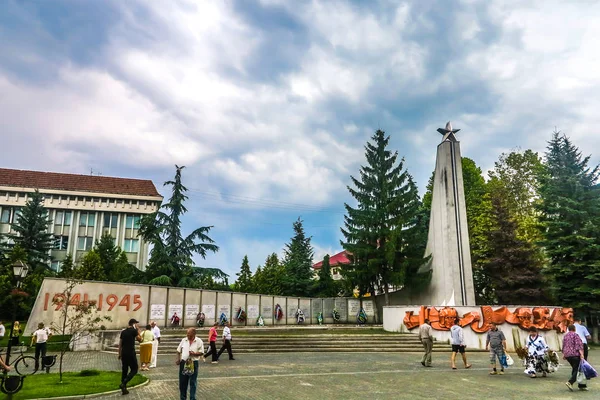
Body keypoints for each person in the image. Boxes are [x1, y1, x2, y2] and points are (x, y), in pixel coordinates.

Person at [176, 328, 204, 400]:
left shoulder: (199, 341)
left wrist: (194, 353)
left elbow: (201, 352)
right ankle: (183, 398)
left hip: (193, 362)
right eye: (187, 333)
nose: (187, 335)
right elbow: (178, 350)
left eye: (189, 334)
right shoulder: (184, 340)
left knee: (193, 381)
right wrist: (178, 359)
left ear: (194, 334)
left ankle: (192, 398)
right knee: (183, 382)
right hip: (184, 362)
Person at [118, 318, 142, 395]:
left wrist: (119, 353)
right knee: (134, 369)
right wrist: (138, 330)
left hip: (124, 353)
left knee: (124, 370)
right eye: (136, 324)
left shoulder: (123, 332)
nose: (137, 325)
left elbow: (120, 344)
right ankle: (124, 382)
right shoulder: (134, 331)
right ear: (133, 324)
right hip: (130, 353)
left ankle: (123, 388)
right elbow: (140, 340)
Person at [563, 324, 587, 391]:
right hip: (575, 355)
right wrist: (581, 354)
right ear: (574, 329)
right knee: (577, 369)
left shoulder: (565, 336)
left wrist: (564, 354)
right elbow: (578, 345)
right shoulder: (575, 335)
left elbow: (564, 345)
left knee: (574, 368)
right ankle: (570, 382)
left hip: (568, 355)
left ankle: (580, 385)